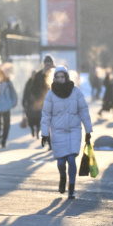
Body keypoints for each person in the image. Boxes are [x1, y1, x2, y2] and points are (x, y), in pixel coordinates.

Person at [40, 65, 93, 199]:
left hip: (74, 131)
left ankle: (72, 187)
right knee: (61, 162)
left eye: (62, 76)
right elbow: (46, 115)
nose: (60, 79)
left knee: (71, 159)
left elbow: (84, 111)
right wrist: (44, 134)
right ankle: (63, 177)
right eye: (58, 77)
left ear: (66, 77)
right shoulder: (51, 94)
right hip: (57, 132)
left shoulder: (76, 92)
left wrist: (88, 131)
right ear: (55, 78)